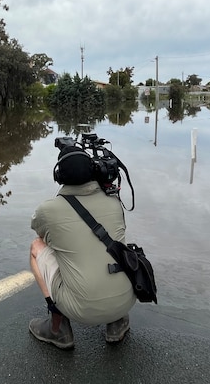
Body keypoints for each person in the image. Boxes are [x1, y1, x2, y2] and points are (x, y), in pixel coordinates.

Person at [28, 143, 136, 349]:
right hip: (127, 299)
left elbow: (41, 234)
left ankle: (57, 328)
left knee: (37, 247)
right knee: (114, 246)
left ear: (59, 176)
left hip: (82, 309)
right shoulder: (114, 202)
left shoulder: (47, 210)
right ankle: (117, 322)